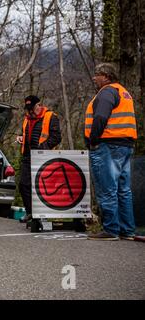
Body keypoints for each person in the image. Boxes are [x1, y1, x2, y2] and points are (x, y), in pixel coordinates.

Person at [85, 63, 137, 241]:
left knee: (107, 188)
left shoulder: (107, 92)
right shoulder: (124, 92)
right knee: (123, 189)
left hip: (108, 145)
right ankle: (127, 230)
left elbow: (100, 117)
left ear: (106, 76)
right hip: (125, 145)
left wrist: (93, 140)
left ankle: (111, 229)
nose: (94, 77)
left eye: (97, 74)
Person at [17, 95, 61, 223]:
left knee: (42, 187)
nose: (30, 111)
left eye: (32, 108)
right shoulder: (26, 119)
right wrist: (21, 138)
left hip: (44, 158)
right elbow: (24, 134)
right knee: (23, 185)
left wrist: (43, 148)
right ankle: (30, 212)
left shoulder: (50, 116)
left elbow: (56, 137)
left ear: (39, 105)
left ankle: (43, 214)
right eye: (28, 108)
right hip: (27, 156)